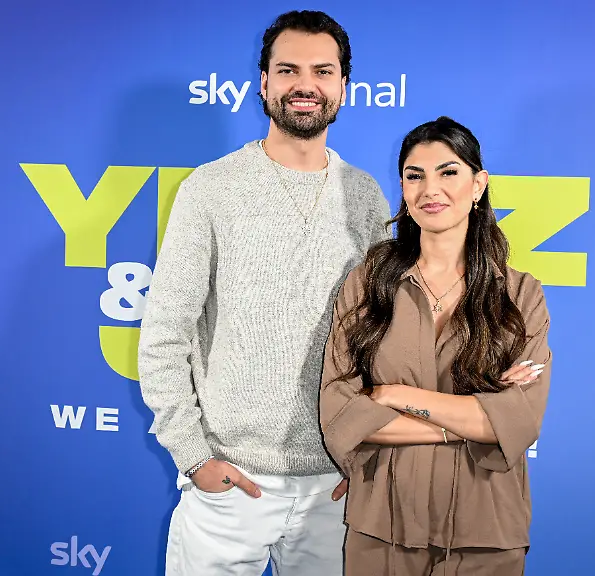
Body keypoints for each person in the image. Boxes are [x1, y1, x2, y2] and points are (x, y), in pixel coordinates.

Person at [137, 10, 390, 576]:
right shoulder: (210, 188)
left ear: (344, 86)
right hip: (228, 487)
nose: (306, 85)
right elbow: (164, 336)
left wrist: (364, 450)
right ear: (264, 83)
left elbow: (383, 340)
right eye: (289, 70)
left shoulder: (368, 196)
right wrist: (195, 457)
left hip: (335, 489)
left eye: (322, 71)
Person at [319, 116, 552, 576]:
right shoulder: (368, 284)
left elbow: (520, 420)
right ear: (403, 189)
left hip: (486, 528)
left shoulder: (521, 295)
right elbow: (340, 415)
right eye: (414, 175)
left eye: (448, 172)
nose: (431, 189)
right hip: (382, 525)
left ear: (478, 184)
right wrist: (473, 417)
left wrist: (391, 397)